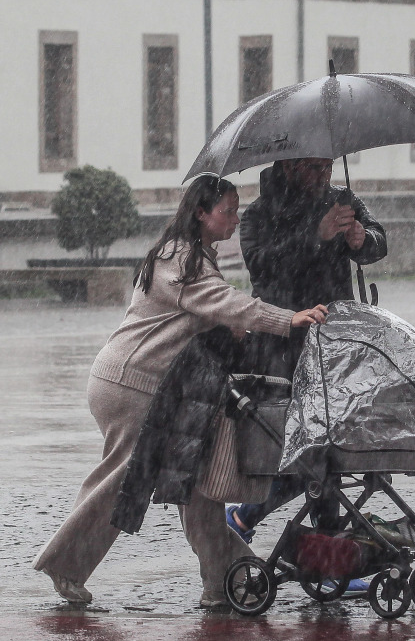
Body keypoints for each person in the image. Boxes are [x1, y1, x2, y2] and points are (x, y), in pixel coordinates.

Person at [33, 175, 327, 608]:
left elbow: (208, 311)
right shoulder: (180, 257)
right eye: (228, 209)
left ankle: (227, 579)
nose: (236, 217)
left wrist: (233, 328)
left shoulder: (193, 256)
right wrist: (287, 319)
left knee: (197, 483)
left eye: (237, 208)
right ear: (201, 213)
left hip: (153, 385)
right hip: (132, 384)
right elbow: (224, 301)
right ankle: (66, 564)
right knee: (127, 477)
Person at [225, 156, 387, 547]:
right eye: (314, 167)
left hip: (336, 341)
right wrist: (316, 235)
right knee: (303, 446)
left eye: (328, 166)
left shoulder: (342, 200)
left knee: (329, 444)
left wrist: (362, 239)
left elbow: (380, 241)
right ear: (291, 165)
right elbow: (263, 267)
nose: (324, 175)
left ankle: (257, 517)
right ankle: (326, 548)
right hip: (282, 343)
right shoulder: (261, 213)